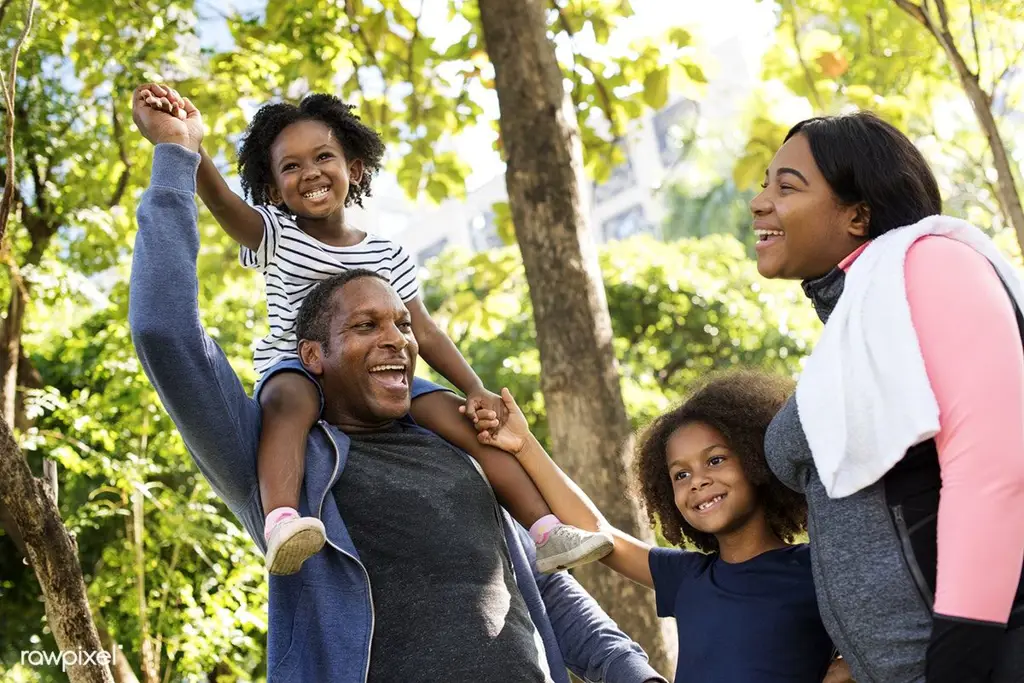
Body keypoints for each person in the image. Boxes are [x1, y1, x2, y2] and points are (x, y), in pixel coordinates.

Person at [128, 84, 666, 683]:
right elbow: (164, 331)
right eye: (364, 325)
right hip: (290, 415)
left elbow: (543, 592)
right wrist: (180, 152)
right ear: (317, 354)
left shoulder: (455, 452)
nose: (397, 339)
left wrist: (630, 671)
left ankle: (549, 523)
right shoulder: (284, 456)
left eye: (400, 325)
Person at [752, 110, 1024, 682]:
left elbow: (993, 470)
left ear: (859, 214)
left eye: (787, 186)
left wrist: (959, 662)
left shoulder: (933, 261)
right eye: (764, 184)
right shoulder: (857, 321)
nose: (760, 203)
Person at [468, 371, 852, 683]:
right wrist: (525, 447)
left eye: (715, 460)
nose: (697, 481)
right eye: (680, 474)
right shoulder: (686, 576)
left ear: (756, 460)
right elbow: (596, 530)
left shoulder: (816, 569)